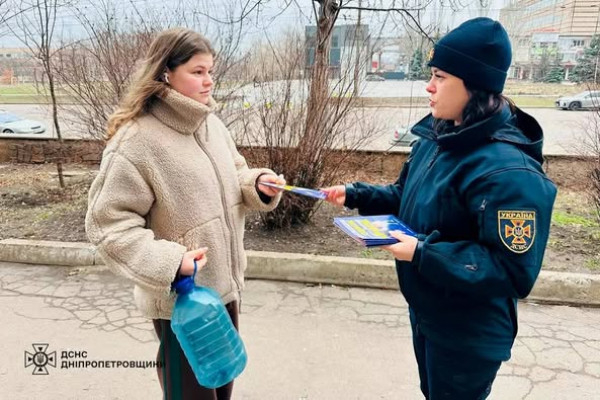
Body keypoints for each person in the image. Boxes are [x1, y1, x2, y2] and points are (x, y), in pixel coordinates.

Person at [323, 17, 557, 400]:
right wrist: (355, 194)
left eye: (441, 76)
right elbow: (406, 195)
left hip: (469, 333)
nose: (429, 86)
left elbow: (512, 271)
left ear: (475, 85)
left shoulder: (510, 172)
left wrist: (422, 252)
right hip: (431, 312)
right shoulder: (438, 136)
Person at [85, 28, 284, 400]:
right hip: (183, 304)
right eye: (197, 71)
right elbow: (107, 226)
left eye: (211, 70)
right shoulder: (136, 141)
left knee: (221, 387)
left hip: (223, 292)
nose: (209, 80)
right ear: (166, 73)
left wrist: (255, 185)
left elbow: (234, 174)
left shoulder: (210, 124)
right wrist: (171, 263)